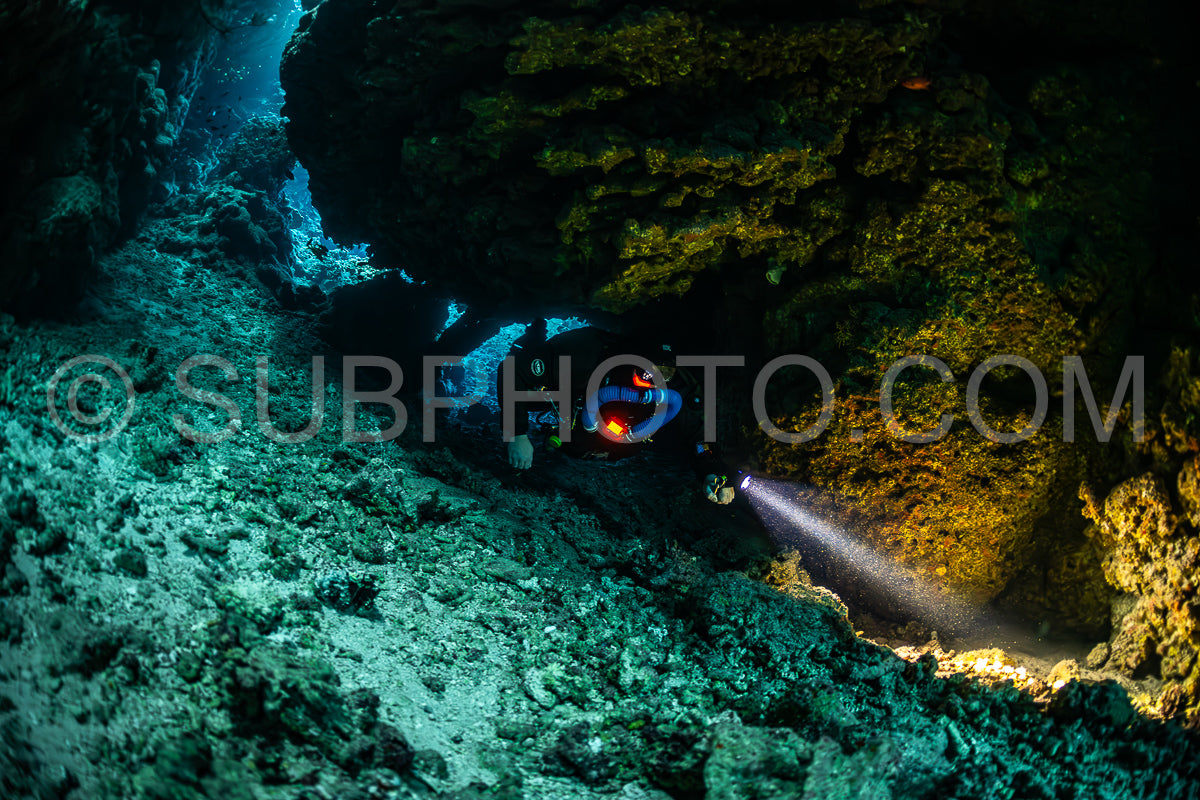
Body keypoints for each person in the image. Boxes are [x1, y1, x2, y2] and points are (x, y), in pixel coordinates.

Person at [496, 319, 737, 504]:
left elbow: (699, 435)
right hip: (569, 397)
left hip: (612, 442)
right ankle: (534, 335)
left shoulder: (676, 389)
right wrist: (516, 433)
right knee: (530, 391)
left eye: (665, 373)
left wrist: (711, 471)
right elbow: (511, 372)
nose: (654, 381)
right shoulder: (585, 354)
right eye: (647, 371)